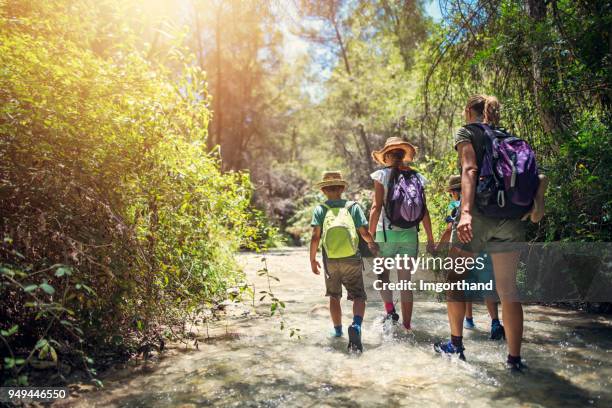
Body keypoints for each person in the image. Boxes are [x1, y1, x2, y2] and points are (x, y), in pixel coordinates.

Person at [434, 94, 546, 371]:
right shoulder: (509, 137)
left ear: (468, 111)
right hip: (511, 216)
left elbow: (469, 169)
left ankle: (456, 346)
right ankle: (514, 360)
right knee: (508, 289)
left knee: (455, 279)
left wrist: (467, 212)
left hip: (481, 215)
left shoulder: (468, 132)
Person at [368, 137, 435, 331]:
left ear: (387, 156)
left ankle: (390, 311)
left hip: (386, 236)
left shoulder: (381, 175)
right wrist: (430, 239)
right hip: (410, 236)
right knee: (405, 282)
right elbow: (424, 211)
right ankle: (407, 326)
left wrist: (370, 237)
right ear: (403, 156)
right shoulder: (417, 177)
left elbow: (375, 207)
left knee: (382, 276)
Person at [310, 171, 379, 352]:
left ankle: (338, 331)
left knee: (334, 295)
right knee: (358, 295)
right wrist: (372, 244)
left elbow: (315, 237)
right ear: (342, 189)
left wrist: (312, 260)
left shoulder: (320, 209)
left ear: (324, 190)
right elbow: (363, 232)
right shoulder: (353, 207)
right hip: (351, 257)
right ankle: (356, 325)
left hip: (330, 258)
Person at [435, 175, 505, 340]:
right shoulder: (481, 203)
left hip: (464, 251)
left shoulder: (455, 206)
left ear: (454, 192)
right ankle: (495, 322)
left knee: (462, 285)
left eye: (451, 192)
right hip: (485, 249)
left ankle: (469, 320)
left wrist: (438, 247)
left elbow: (449, 230)